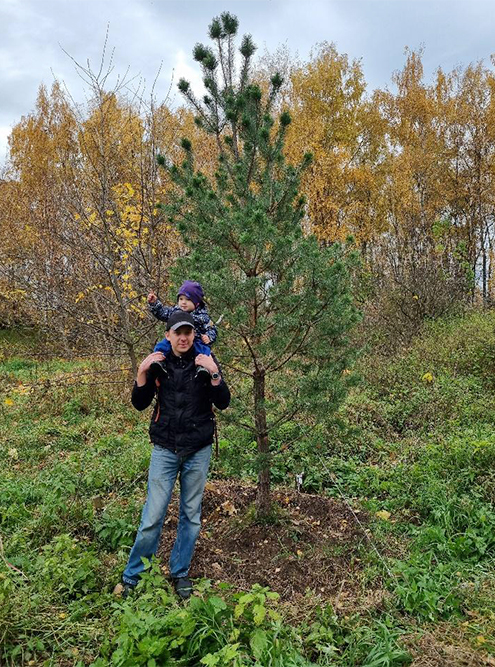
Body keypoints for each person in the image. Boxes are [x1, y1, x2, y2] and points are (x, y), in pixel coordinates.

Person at [118, 310, 230, 600]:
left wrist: (215, 374)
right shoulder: (159, 362)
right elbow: (140, 404)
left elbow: (224, 402)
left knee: (190, 516)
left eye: (188, 332)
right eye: (177, 333)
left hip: (198, 450)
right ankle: (133, 576)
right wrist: (142, 373)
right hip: (165, 449)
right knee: (153, 516)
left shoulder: (205, 362)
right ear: (168, 335)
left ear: (194, 335)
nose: (183, 337)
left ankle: (179, 573)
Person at [148, 280, 217, 379]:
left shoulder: (202, 316)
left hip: (196, 340)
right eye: (181, 299)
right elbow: (163, 313)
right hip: (176, 339)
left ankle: (202, 368)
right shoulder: (175, 312)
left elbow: (212, 328)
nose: (183, 302)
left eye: (188, 300)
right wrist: (154, 304)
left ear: (197, 302)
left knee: (203, 350)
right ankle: (159, 362)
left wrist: (209, 337)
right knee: (162, 345)